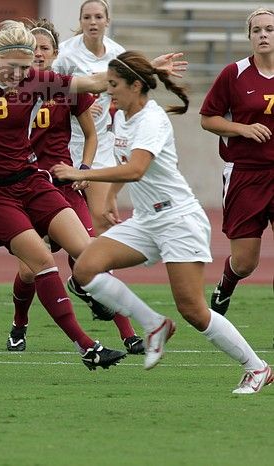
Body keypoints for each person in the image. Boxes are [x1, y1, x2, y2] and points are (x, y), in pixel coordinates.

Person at [52, 51, 272, 394]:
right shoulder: (121, 115)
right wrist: (110, 195)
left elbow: (137, 167)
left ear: (135, 86)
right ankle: (153, 323)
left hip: (178, 220)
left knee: (194, 311)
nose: (108, 91)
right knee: (86, 269)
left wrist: (83, 174)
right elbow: (130, 165)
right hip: (147, 220)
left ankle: (256, 368)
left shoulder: (151, 119)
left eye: (113, 85)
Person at [0, 20, 135, 370]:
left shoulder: (38, 81)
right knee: (41, 263)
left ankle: (102, 302)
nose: (19, 74)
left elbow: (92, 82)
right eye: (13, 66)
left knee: (90, 252)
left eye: (25, 67)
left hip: (32, 180)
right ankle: (87, 347)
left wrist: (143, 71)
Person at [5, 18, 144, 356]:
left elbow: (93, 134)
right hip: (24, 186)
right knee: (29, 269)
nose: (38, 54)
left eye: (44, 49)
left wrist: (83, 167)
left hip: (63, 184)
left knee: (92, 253)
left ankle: (128, 333)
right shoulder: (10, 87)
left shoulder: (64, 87)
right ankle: (19, 325)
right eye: (32, 49)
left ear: (55, 54)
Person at [200, 7, 274, 315]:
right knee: (245, 262)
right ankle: (227, 283)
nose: (263, 35)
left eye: (269, 29)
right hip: (246, 174)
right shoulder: (235, 73)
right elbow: (207, 119)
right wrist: (241, 128)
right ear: (249, 36)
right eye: (257, 30)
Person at [52, 0, 125, 235]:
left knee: (102, 217)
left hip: (101, 142)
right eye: (87, 17)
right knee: (62, 221)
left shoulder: (118, 54)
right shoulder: (64, 53)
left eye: (98, 17)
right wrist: (78, 105)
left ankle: (99, 271)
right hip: (68, 141)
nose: (92, 22)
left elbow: (125, 93)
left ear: (107, 21)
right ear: (80, 21)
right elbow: (48, 92)